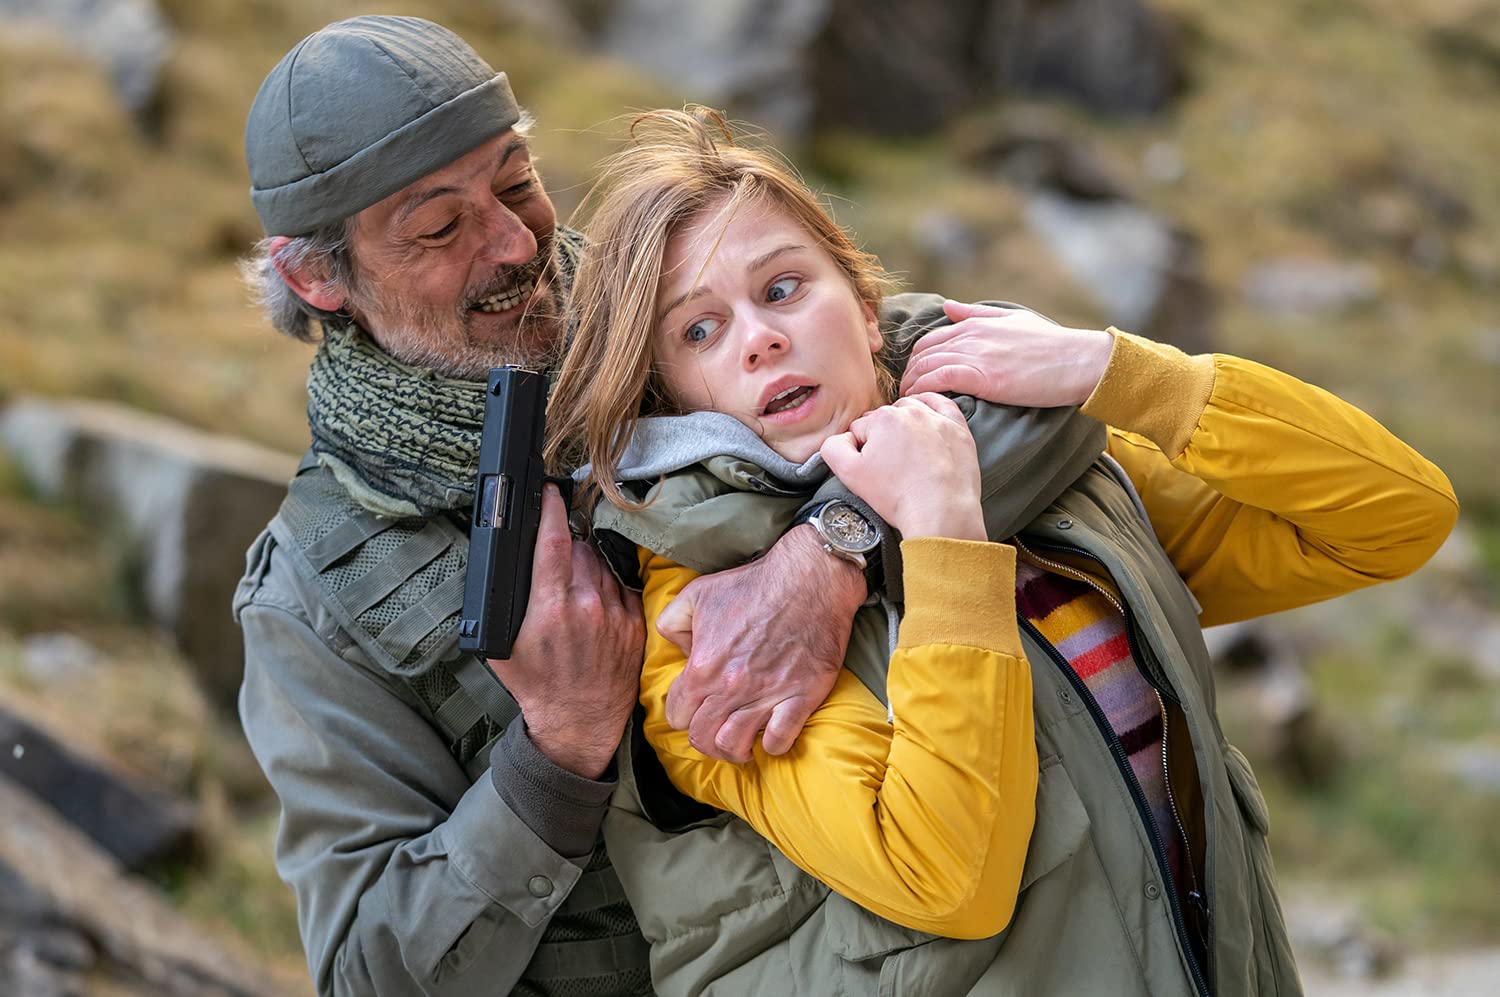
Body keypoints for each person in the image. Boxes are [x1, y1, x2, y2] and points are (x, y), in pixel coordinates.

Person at [230, 17, 1088, 997]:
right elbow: (368, 976)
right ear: (315, 275)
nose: (515, 241)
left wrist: (834, 548)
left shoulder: (670, 294)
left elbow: (1020, 379)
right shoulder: (308, 598)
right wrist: (558, 747)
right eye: (439, 228)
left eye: (516, 181)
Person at [546, 108, 1460, 997]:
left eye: (782, 288)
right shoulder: (707, 630)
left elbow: (1395, 516)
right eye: (700, 330)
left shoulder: (1053, 472)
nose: (761, 338)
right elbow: (945, 877)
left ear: (864, 307)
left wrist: (1120, 372)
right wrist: (940, 533)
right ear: (668, 395)